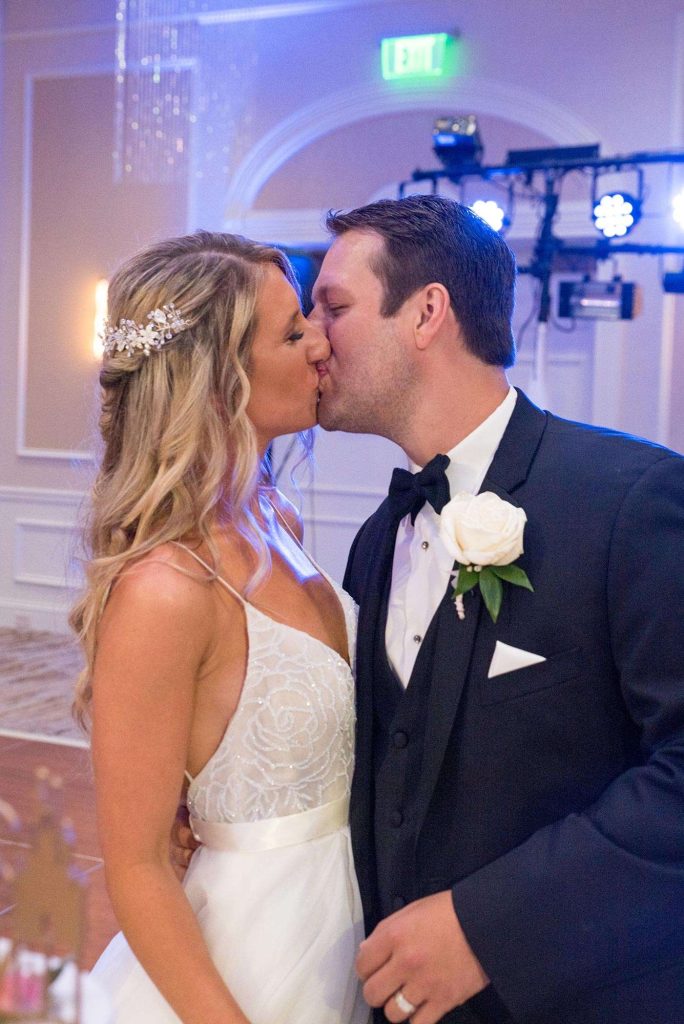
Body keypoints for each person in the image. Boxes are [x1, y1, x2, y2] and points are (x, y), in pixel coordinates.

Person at [307, 194, 684, 1024]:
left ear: (427, 313)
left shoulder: (631, 500)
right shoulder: (378, 539)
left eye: (333, 307)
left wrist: (489, 929)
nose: (312, 337)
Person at [70, 230, 369, 1024]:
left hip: (337, 925)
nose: (320, 345)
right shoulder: (166, 590)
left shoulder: (276, 517)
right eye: (292, 333)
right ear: (217, 381)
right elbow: (137, 867)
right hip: (245, 963)